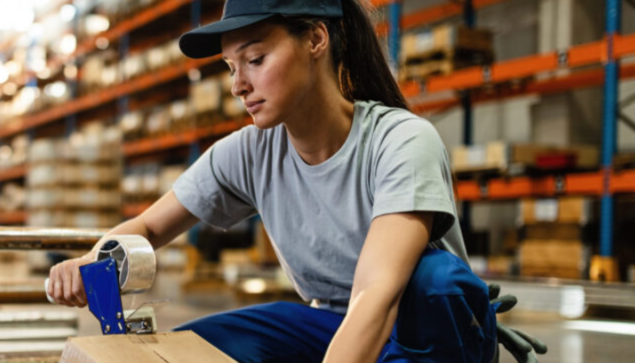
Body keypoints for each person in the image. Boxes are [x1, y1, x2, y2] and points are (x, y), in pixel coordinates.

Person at [47, 0, 546, 362]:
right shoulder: (250, 151)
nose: (238, 84)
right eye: (230, 67)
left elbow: (377, 294)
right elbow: (150, 229)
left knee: (433, 281)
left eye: (255, 59)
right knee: (190, 350)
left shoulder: (401, 141)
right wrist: (94, 259)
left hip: (425, 329)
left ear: (315, 40)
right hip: (331, 322)